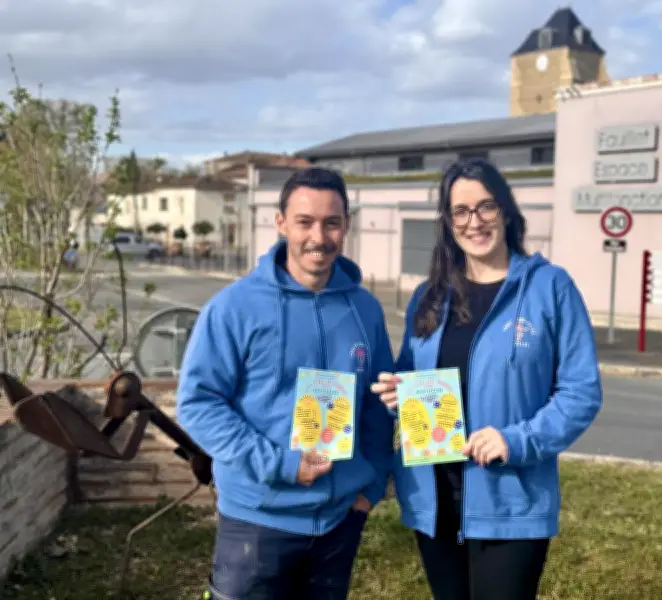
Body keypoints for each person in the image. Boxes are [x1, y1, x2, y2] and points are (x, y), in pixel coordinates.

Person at [370, 158, 603, 600]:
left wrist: (516, 440)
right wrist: (397, 389)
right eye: (460, 211)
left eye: (485, 207)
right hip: (433, 499)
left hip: (508, 499)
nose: (473, 222)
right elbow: (411, 370)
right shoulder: (430, 295)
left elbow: (581, 392)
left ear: (506, 211)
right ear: (448, 222)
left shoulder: (549, 288)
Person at [177, 167, 395, 600]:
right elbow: (198, 404)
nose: (319, 236)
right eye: (305, 222)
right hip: (256, 519)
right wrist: (280, 464)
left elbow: (376, 404)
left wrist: (369, 487)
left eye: (331, 222)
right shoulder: (234, 307)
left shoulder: (365, 309)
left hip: (339, 520)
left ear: (346, 226)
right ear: (280, 223)